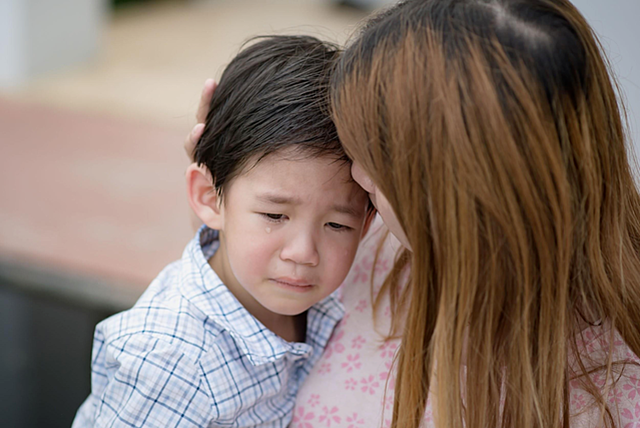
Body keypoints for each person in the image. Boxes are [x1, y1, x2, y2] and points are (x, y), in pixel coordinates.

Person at [182, 1, 640, 427]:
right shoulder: (371, 240)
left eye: (380, 159)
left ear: (459, 197)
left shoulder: (613, 386)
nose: (358, 175)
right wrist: (234, 194)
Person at [72, 35, 373, 428]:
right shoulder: (169, 362)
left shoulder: (317, 301)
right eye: (274, 215)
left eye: (337, 224)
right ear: (209, 198)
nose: (303, 252)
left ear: (369, 223)